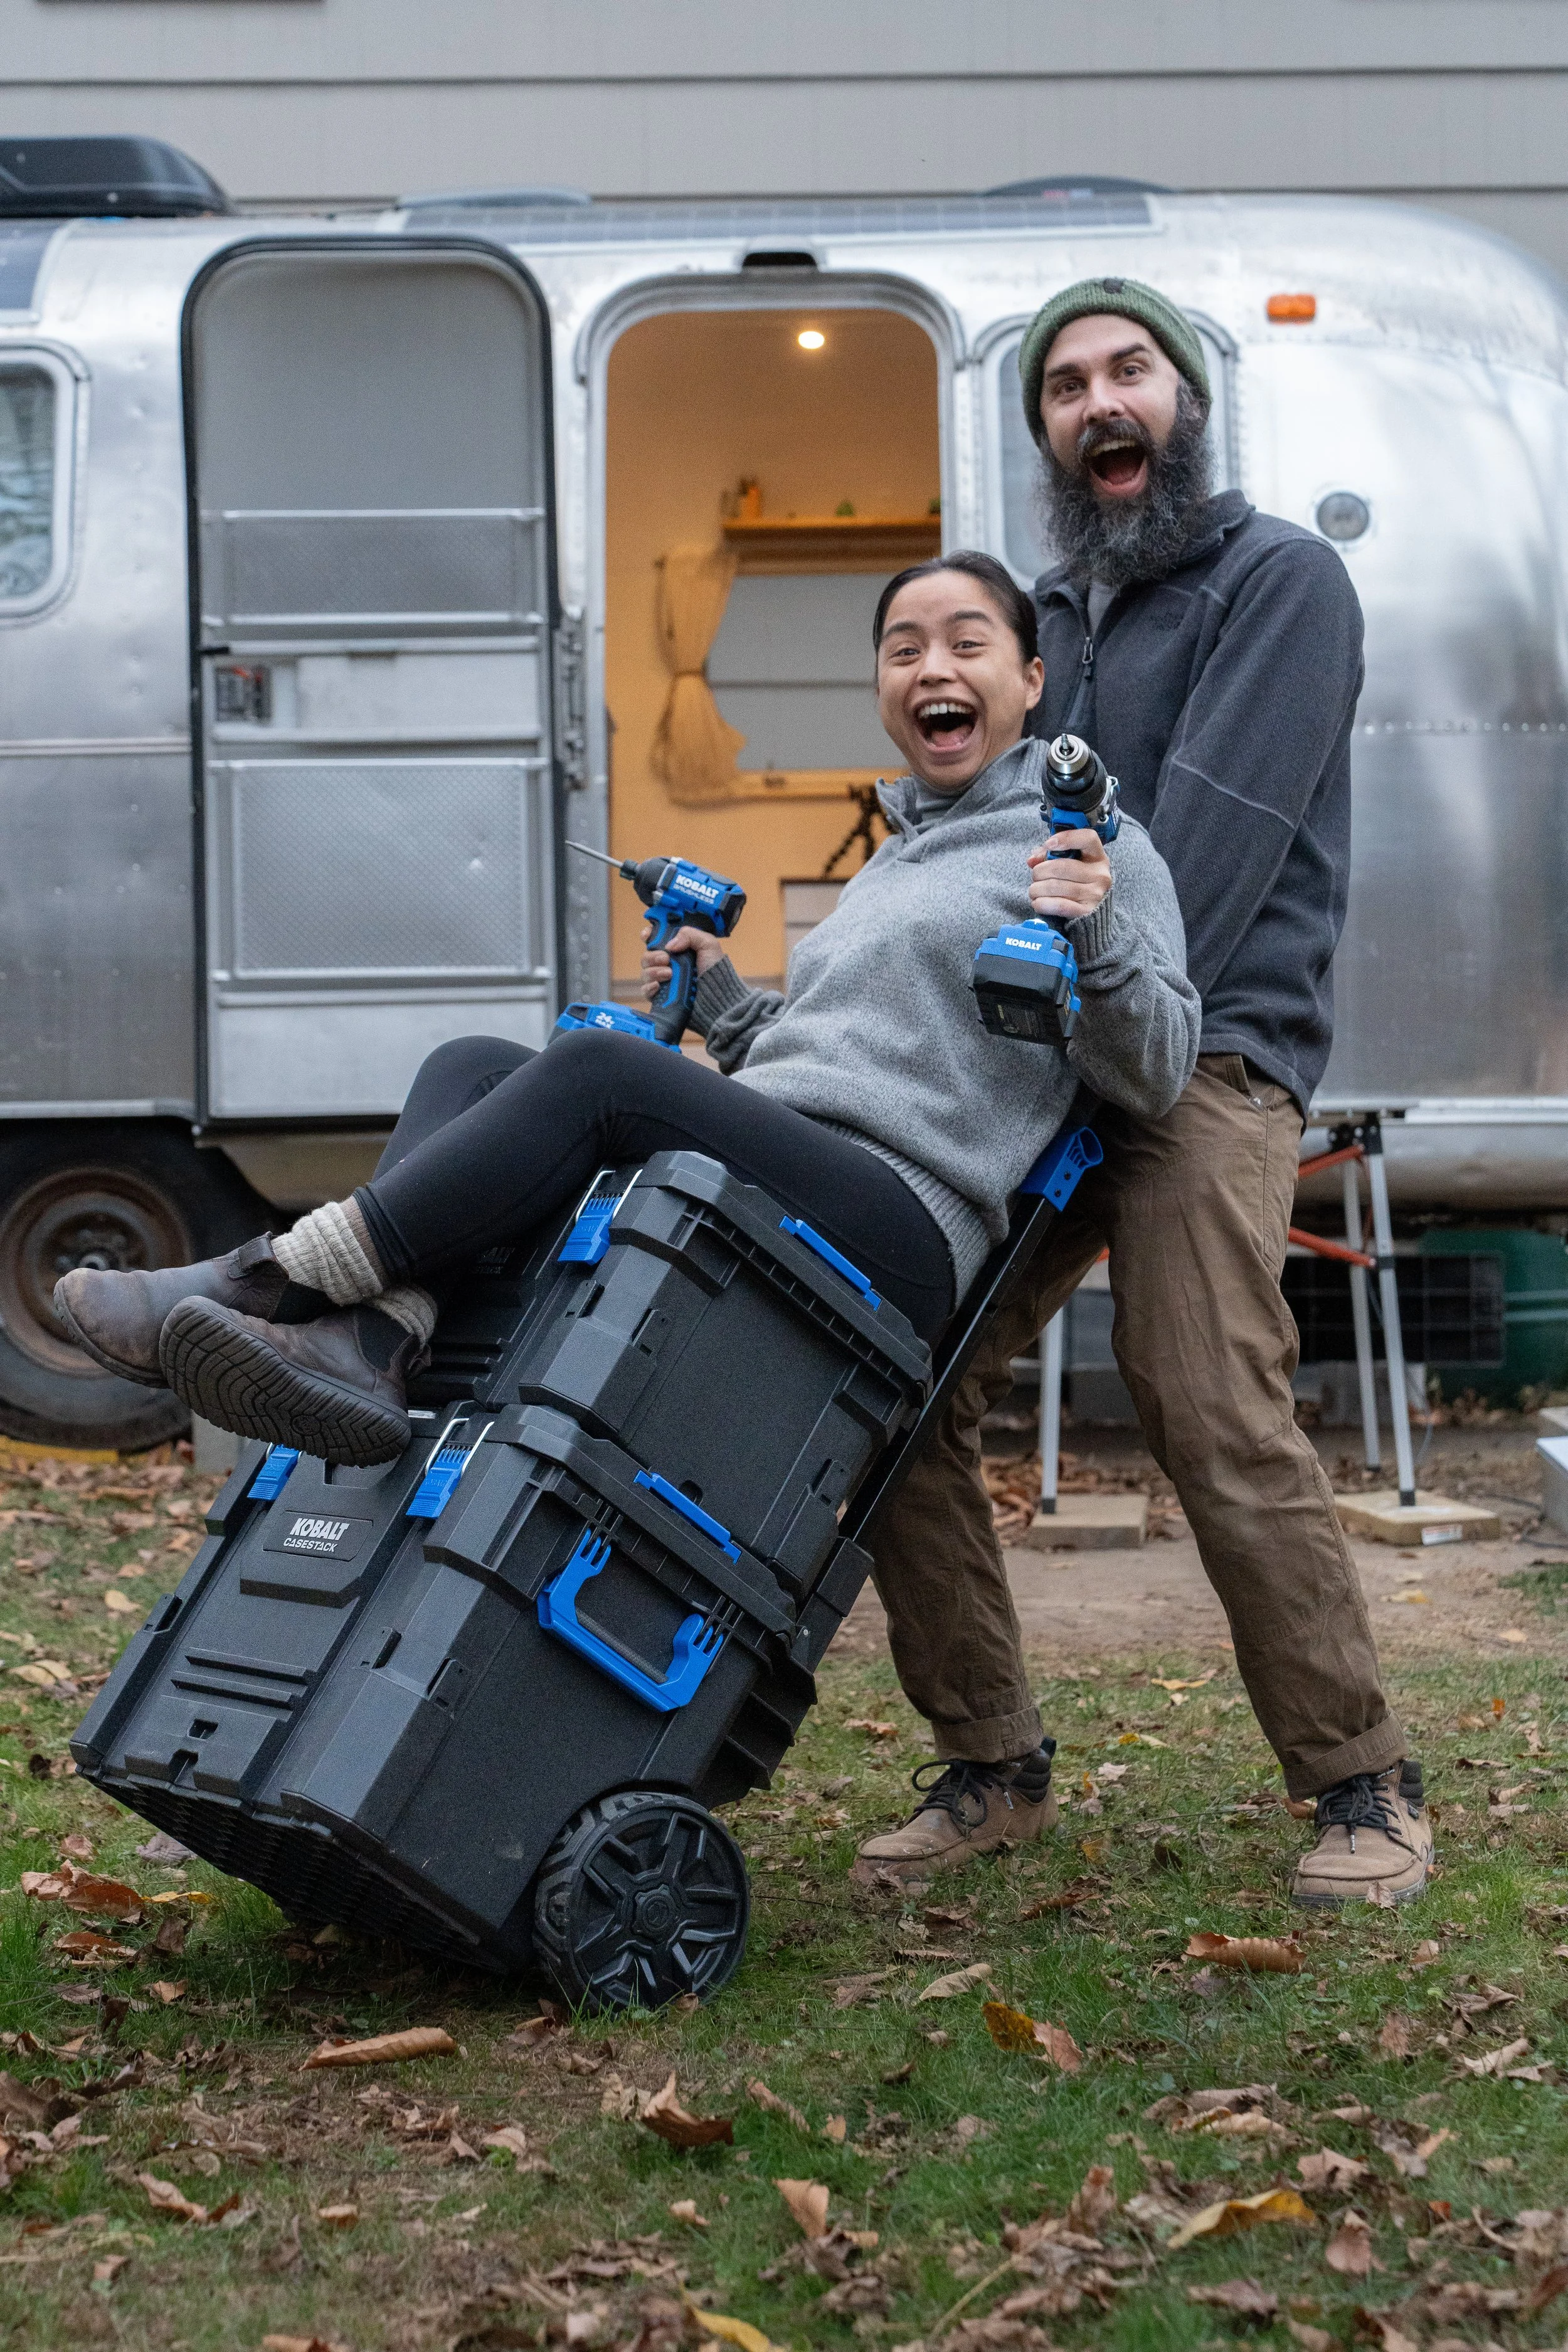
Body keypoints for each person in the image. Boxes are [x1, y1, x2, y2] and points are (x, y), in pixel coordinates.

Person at [54, 549, 1201, 1761]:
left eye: (967, 642)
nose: (933, 667)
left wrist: (1102, 926)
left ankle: (267, 1278)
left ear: (1028, 679)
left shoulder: (1099, 851)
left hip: (904, 1224)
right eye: (904, 646)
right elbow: (816, 1063)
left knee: (600, 1076)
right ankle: (371, 1343)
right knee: (471, 1064)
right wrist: (723, 1002)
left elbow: (1158, 1064)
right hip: (800, 1159)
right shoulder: (897, 856)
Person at [854, 280, 1433, 1912]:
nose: (1100, 404)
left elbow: (1216, 849)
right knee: (897, 1377)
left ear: (1184, 400)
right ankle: (990, 1757)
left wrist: (1119, 1021)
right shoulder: (1042, 615)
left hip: (1210, 1047)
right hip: (1047, 1067)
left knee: (1199, 1392)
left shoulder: (1278, 581)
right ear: (1040, 429)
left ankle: (1359, 1777)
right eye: (1064, 387)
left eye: (1127, 373)